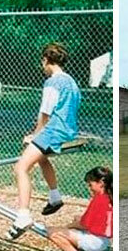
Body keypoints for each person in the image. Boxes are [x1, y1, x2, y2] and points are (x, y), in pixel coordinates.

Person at [7, 42, 81, 240]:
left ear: (47, 60)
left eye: (43, 62)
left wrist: (35, 135)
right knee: (40, 157)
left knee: (20, 168)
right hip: (68, 130)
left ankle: (23, 215)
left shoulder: (52, 82)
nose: (42, 66)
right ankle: (55, 197)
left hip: (54, 131)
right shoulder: (71, 81)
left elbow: (45, 114)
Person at [47, 166, 113, 251]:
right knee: (76, 220)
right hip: (104, 240)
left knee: (52, 232)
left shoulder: (100, 199)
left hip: (95, 242)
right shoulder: (109, 197)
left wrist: (67, 227)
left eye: (90, 184)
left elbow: (84, 224)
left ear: (101, 182)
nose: (89, 188)